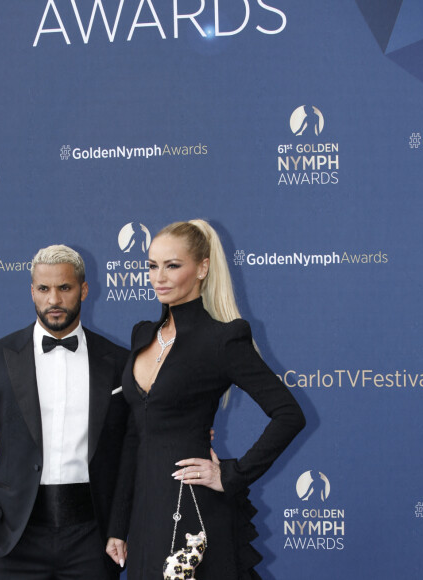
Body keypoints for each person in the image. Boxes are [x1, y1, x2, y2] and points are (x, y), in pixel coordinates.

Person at [106, 220, 306, 579]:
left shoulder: (223, 340)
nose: (159, 277)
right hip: (145, 512)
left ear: (202, 268)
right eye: (152, 266)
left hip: (192, 508)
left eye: (173, 265)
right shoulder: (142, 335)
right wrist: (118, 524)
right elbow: (134, 434)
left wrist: (232, 474)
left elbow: (289, 414)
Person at [0, 244, 129, 580]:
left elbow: (132, 445)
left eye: (64, 288)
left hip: (91, 539)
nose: (53, 300)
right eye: (43, 289)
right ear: (32, 290)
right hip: (12, 538)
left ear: (84, 289)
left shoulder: (118, 361)